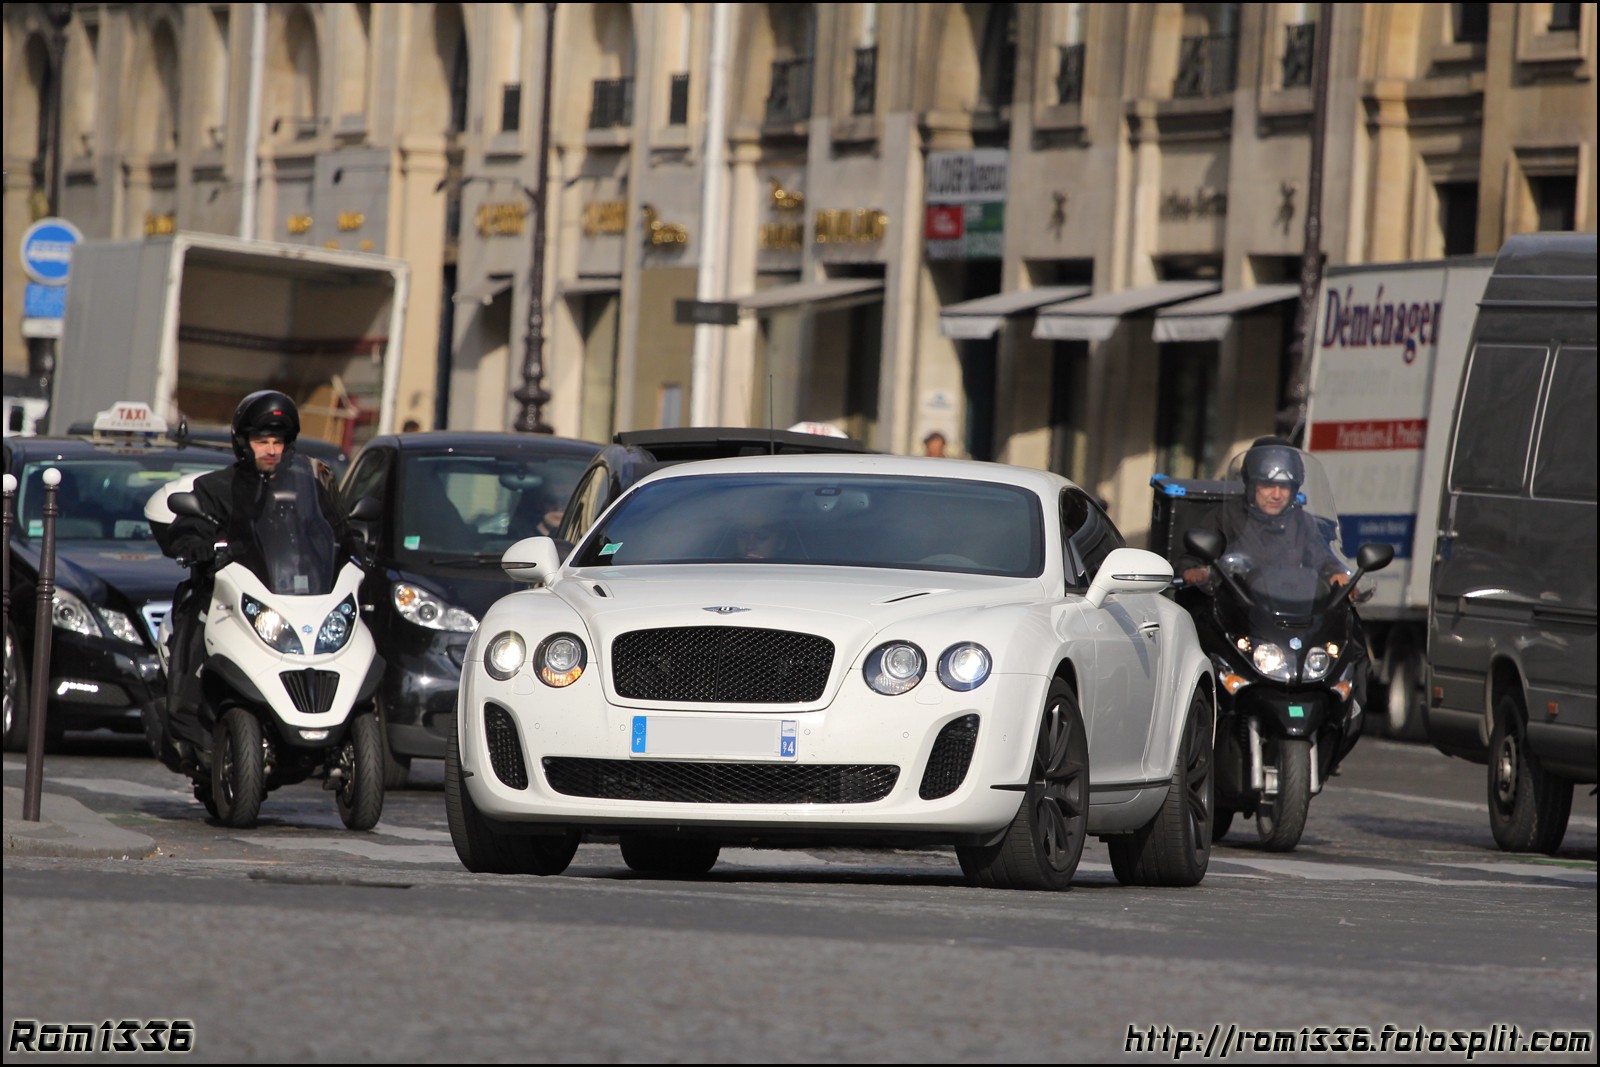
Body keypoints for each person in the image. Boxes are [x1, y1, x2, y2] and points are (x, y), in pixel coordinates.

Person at [156, 391, 359, 749]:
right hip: (234, 595)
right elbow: (189, 526)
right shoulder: (216, 487)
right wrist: (198, 545)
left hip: (299, 595)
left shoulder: (310, 486)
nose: (270, 450)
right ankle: (190, 724)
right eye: (261, 441)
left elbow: (336, 529)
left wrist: (357, 543)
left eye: (277, 442)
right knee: (194, 617)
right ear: (244, 443)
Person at [1175, 438, 1350, 592]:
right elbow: (1190, 560)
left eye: (1284, 487)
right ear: (1251, 484)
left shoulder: (1302, 523)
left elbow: (1324, 558)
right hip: (1237, 616)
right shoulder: (1227, 517)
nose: (1276, 494)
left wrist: (1336, 572)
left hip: (1292, 614)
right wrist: (1194, 571)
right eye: (1267, 485)